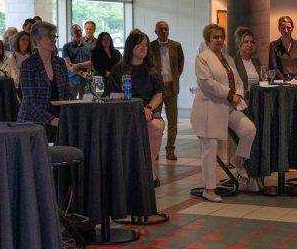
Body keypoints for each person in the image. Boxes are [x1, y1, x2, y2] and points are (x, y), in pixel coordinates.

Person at [191, 24, 256, 203]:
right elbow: (207, 83)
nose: (219, 40)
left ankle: (237, 160)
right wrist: (230, 95)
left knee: (249, 129)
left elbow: (238, 81)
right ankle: (209, 189)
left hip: (228, 107)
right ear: (208, 40)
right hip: (208, 108)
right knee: (210, 149)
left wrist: (239, 94)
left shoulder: (229, 58)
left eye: (221, 37)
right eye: (215, 37)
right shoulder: (202, 58)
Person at [110, 30, 165, 186]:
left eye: (146, 45)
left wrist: (148, 108)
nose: (144, 47)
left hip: (148, 111)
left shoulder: (152, 70)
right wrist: (134, 107)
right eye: (140, 44)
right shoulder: (118, 70)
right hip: (125, 112)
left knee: (155, 128)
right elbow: (114, 95)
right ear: (130, 46)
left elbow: (159, 94)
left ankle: (147, 169)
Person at [19, 22, 70, 142]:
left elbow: (67, 94)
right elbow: (29, 102)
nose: (54, 40)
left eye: (54, 36)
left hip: (59, 121)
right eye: (49, 36)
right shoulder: (28, 65)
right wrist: (53, 120)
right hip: (33, 122)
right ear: (37, 41)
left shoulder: (60, 63)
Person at [151, 20, 185, 161]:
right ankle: (156, 149)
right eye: (161, 29)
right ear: (156, 31)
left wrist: (175, 78)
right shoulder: (150, 46)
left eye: (166, 29)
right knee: (155, 120)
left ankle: (170, 149)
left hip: (172, 88)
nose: (164, 31)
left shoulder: (176, 46)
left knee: (172, 121)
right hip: (157, 90)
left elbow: (180, 64)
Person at [268, 15, 297, 81]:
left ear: (292, 28)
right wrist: (284, 81)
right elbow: (274, 67)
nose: (286, 30)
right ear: (279, 28)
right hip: (280, 82)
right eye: (283, 28)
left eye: (288, 28)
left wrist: (294, 80)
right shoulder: (273, 45)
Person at [62, 23, 92, 98]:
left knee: (86, 104)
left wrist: (78, 65)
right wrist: (81, 73)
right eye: (76, 31)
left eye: (80, 30)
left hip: (86, 80)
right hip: (72, 80)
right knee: (71, 104)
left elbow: (91, 62)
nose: (79, 32)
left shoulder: (88, 46)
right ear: (72, 33)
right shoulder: (66, 46)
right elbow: (69, 65)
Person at [233, 26, 262, 90]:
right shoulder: (234, 62)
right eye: (246, 42)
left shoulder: (256, 62)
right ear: (239, 44)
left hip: (256, 97)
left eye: (251, 42)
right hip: (241, 98)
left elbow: (262, 82)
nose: (249, 45)